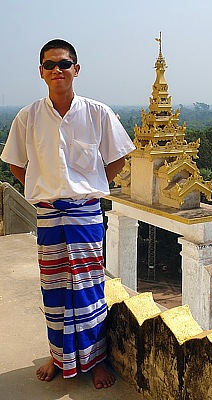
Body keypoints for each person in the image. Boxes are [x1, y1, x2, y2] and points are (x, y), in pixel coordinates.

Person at [0, 39, 135, 389]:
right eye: (49, 65)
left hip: (85, 214)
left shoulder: (98, 113)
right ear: (41, 72)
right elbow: (16, 164)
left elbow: (118, 157)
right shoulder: (27, 116)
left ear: (76, 69)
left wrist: (90, 187)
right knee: (55, 290)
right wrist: (43, 189)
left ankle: (96, 360)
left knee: (89, 289)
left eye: (64, 64)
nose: (57, 70)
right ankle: (58, 357)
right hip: (48, 215)